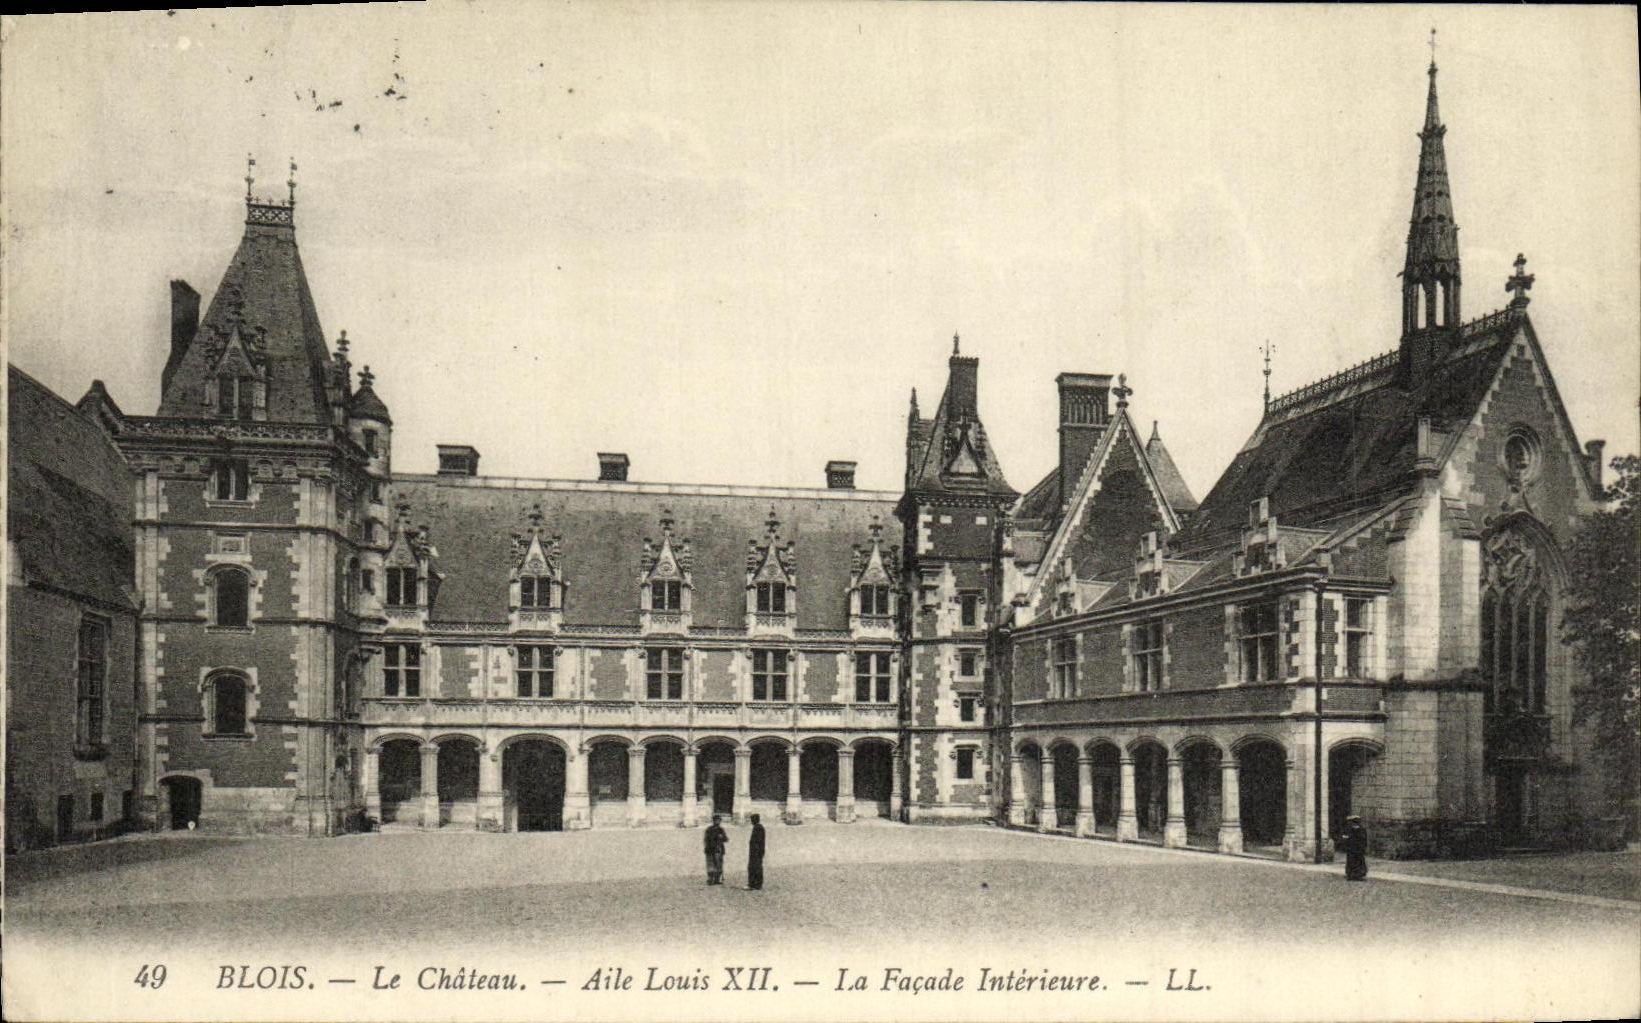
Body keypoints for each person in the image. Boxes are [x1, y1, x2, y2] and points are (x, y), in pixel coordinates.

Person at [1340, 814, 1369, 881]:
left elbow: (1345, 838)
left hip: (1354, 849)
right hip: (1355, 849)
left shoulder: (1353, 829)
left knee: (1354, 861)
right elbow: (1364, 839)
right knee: (1356, 861)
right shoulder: (1359, 829)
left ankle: (1353, 874)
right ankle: (1355, 874)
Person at [704, 815, 728, 886]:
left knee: (718, 864)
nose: (717, 822)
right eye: (716, 820)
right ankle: (710, 879)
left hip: (718, 849)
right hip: (711, 849)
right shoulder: (709, 829)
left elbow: (726, 839)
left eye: (719, 820)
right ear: (713, 821)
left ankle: (717, 879)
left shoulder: (721, 829)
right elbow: (706, 839)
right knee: (710, 864)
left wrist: (722, 837)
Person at [746, 813, 766, 891]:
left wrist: (756, 852)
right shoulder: (759, 827)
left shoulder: (757, 828)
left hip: (756, 852)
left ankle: (753, 884)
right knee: (757, 868)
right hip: (757, 851)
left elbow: (757, 841)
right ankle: (757, 884)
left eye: (752, 820)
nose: (751, 821)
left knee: (753, 868)